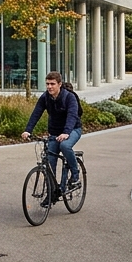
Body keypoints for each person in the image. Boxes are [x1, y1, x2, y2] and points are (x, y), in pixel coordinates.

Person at [20, 72, 82, 202]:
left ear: (59, 84)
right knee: (50, 160)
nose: (49, 87)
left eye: (52, 84)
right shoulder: (45, 97)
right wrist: (28, 130)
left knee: (65, 145)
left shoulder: (69, 97)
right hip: (55, 132)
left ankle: (75, 174)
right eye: (47, 84)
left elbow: (72, 116)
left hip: (72, 130)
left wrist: (66, 132)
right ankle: (52, 193)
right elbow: (36, 113)